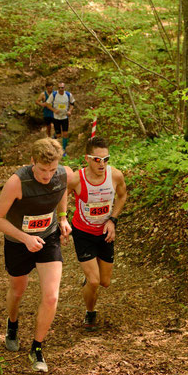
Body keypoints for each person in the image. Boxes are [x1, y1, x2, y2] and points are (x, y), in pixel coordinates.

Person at [0, 138, 72, 373]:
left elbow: (62, 190)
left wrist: (64, 217)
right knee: (18, 290)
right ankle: (12, 324)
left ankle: (36, 347)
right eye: (42, 170)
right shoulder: (17, 182)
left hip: (48, 238)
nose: (48, 176)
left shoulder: (63, 174)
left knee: (51, 297)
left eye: (52, 170)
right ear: (32, 161)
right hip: (18, 242)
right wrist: (25, 238)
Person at [67, 136, 127, 331]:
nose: (102, 164)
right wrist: (61, 218)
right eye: (97, 159)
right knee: (94, 282)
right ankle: (90, 313)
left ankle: (89, 279)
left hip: (104, 232)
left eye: (106, 159)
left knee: (105, 282)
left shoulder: (115, 176)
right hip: (83, 232)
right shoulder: (77, 179)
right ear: (87, 158)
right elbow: (60, 197)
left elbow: (122, 195)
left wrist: (113, 220)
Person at [45, 82, 75, 156]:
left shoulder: (68, 95)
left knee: (65, 134)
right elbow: (47, 104)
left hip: (64, 117)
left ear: (64, 88)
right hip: (56, 118)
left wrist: (70, 111)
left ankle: (63, 150)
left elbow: (72, 104)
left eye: (62, 88)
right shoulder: (54, 94)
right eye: (59, 88)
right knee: (59, 135)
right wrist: (54, 110)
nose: (61, 89)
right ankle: (55, 136)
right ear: (57, 88)